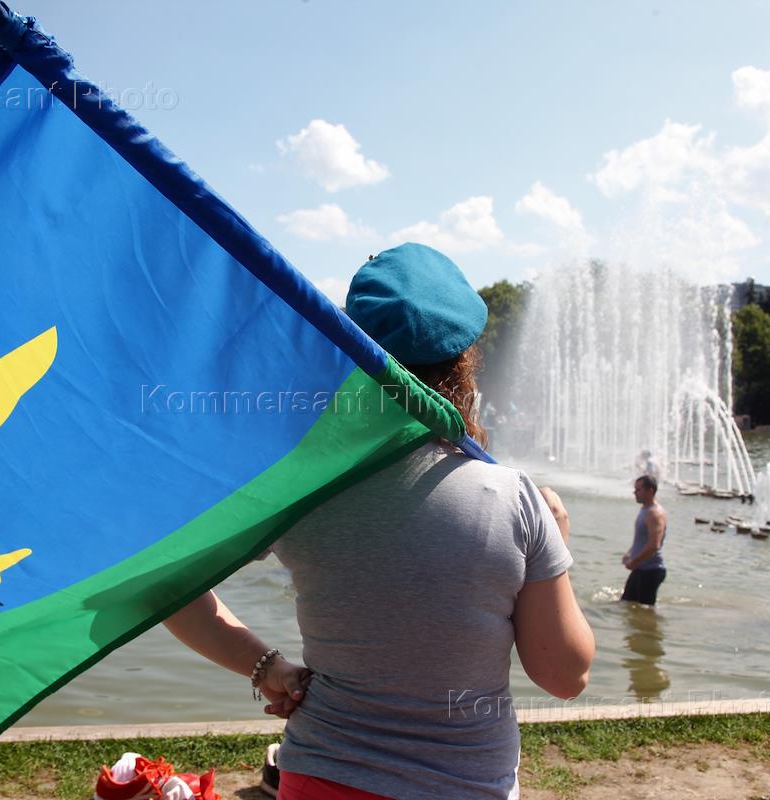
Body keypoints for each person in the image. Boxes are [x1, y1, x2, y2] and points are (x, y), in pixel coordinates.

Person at [162, 243, 595, 800]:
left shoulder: (303, 489)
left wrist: (264, 665)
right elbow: (564, 676)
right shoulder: (514, 500)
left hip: (320, 778)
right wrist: (556, 546)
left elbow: (168, 585)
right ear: (465, 363)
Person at [621, 475, 667, 606]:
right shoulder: (645, 510)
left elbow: (654, 545)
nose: (634, 493)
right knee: (627, 605)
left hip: (651, 570)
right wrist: (630, 553)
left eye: (638, 490)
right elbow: (642, 540)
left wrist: (634, 562)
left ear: (650, 491)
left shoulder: (655, 513)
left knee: (646, 609)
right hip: (641, 568)